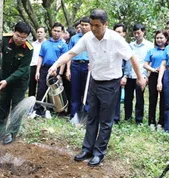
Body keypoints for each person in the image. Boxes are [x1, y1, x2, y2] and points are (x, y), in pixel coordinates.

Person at [48, 10, 145, 167]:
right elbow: (71, 53)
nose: (93, 29)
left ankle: (99, 152)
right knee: (91, 116)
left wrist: (140, 77)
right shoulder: (87, 38)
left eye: (97, 26)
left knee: (105, 121)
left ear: (105, 24)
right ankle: (87, 149)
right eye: (91, 25)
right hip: (94, 81)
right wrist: (55, 65)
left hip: (111, 83)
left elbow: (132, 57)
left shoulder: (115, 39)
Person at [0, 22, 33, 144]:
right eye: (18, 36)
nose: (20, 40)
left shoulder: (28, 49)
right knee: (3, 105)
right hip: (4, 79)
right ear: (13, 32)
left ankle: (11, 133)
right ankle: (0, 131)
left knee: (17, 108)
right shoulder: (4, 39)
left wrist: (8, 81)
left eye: (23, 37)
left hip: (19, 82)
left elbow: (23, 69)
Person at [33, 22, 68, 118]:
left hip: (55, 70)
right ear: (51, 31)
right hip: (44, 69)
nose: (56, 33)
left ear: (61, 32)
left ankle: (50, 110)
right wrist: (37, 71)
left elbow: (63, 60)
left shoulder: (63, 45)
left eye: (58, 31)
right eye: (55, 30)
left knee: (53, 92)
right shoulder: (45, 43)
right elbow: (40, 57)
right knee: (41, 89)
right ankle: (38, 110)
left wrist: (60, 74)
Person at [123, 24, 152, 124]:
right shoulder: (130, 45)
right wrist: (125, 75)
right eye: (134, 33)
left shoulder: (149, 45)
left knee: (139, 99)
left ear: (143, 32)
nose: (136, 35)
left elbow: (150, 62)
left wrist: (147, 76)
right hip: (130, 75)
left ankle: (138, 119)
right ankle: (127, 117)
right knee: (128, 98)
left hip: (141, 76)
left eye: (138, 33)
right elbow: (128, 61)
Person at [143, 30, 168, 129]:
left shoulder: (168, 50)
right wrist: (153, 69)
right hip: (153, 76)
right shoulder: (151, 51)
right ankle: (151, 121)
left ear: (166, 39)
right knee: (152, 99)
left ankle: (161, 122)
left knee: (164, 100)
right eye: (157, 38)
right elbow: (145, 64)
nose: (159, 40)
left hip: (166, 77)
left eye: (161, 38)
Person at [67, 17, 91, 118]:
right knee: (75, 90)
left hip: (88, 66)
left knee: (88, 91)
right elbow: (69, 55)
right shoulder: (74, 38)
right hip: (76, 65)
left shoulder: (93, 38)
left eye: (86, 25)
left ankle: (86, 114)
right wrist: (68, 69)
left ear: (90, 26)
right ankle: (74, 114)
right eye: (82, 25)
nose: (84, 27)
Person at [113, 23, 127, 124]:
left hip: (121, 72)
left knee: (117, 96)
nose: (117, 34)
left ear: (124, 33)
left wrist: (125, 75)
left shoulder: (125, 46)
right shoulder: (110, 43)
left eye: (119, 32)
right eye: (115, 32)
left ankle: (116, 117)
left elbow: (128, 63)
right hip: (110, 71)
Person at [29, 27, 46, 98]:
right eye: (38, 32)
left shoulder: (47, 44)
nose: (39, 34)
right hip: (32, 66)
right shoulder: (32, 44)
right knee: (31, 87)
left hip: (42, 67)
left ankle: (40, 106)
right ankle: (30, 105)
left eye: (41, 32)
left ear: (45, 34)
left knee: (42, 88)